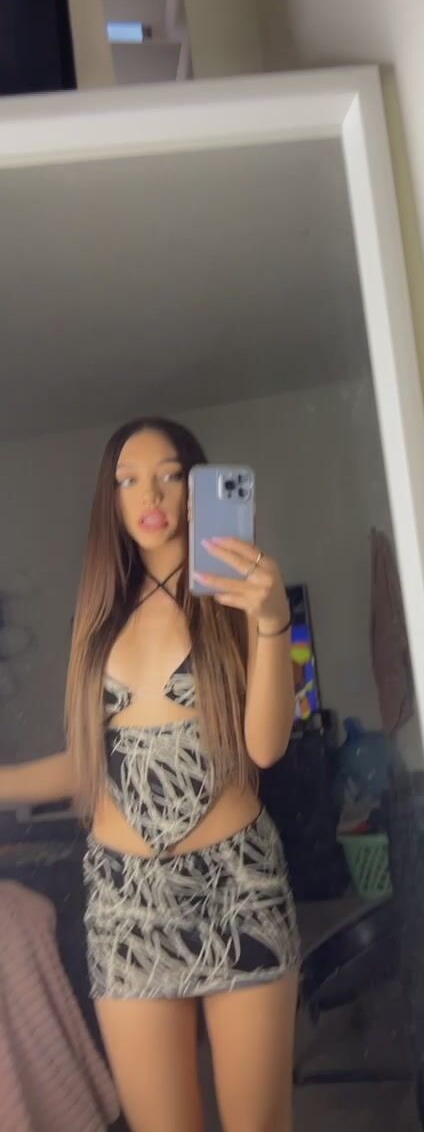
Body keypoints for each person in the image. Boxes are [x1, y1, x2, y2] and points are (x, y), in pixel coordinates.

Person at [0, 417, 301, 1132]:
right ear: (111, 500)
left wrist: (272, 620)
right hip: (125, 903)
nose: (150, 494)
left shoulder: (233, 598)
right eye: (128, 480)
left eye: (169, 475)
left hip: (236, 886)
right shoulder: (100, 615)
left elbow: (264, 748)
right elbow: (91, 764)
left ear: (198, 489)